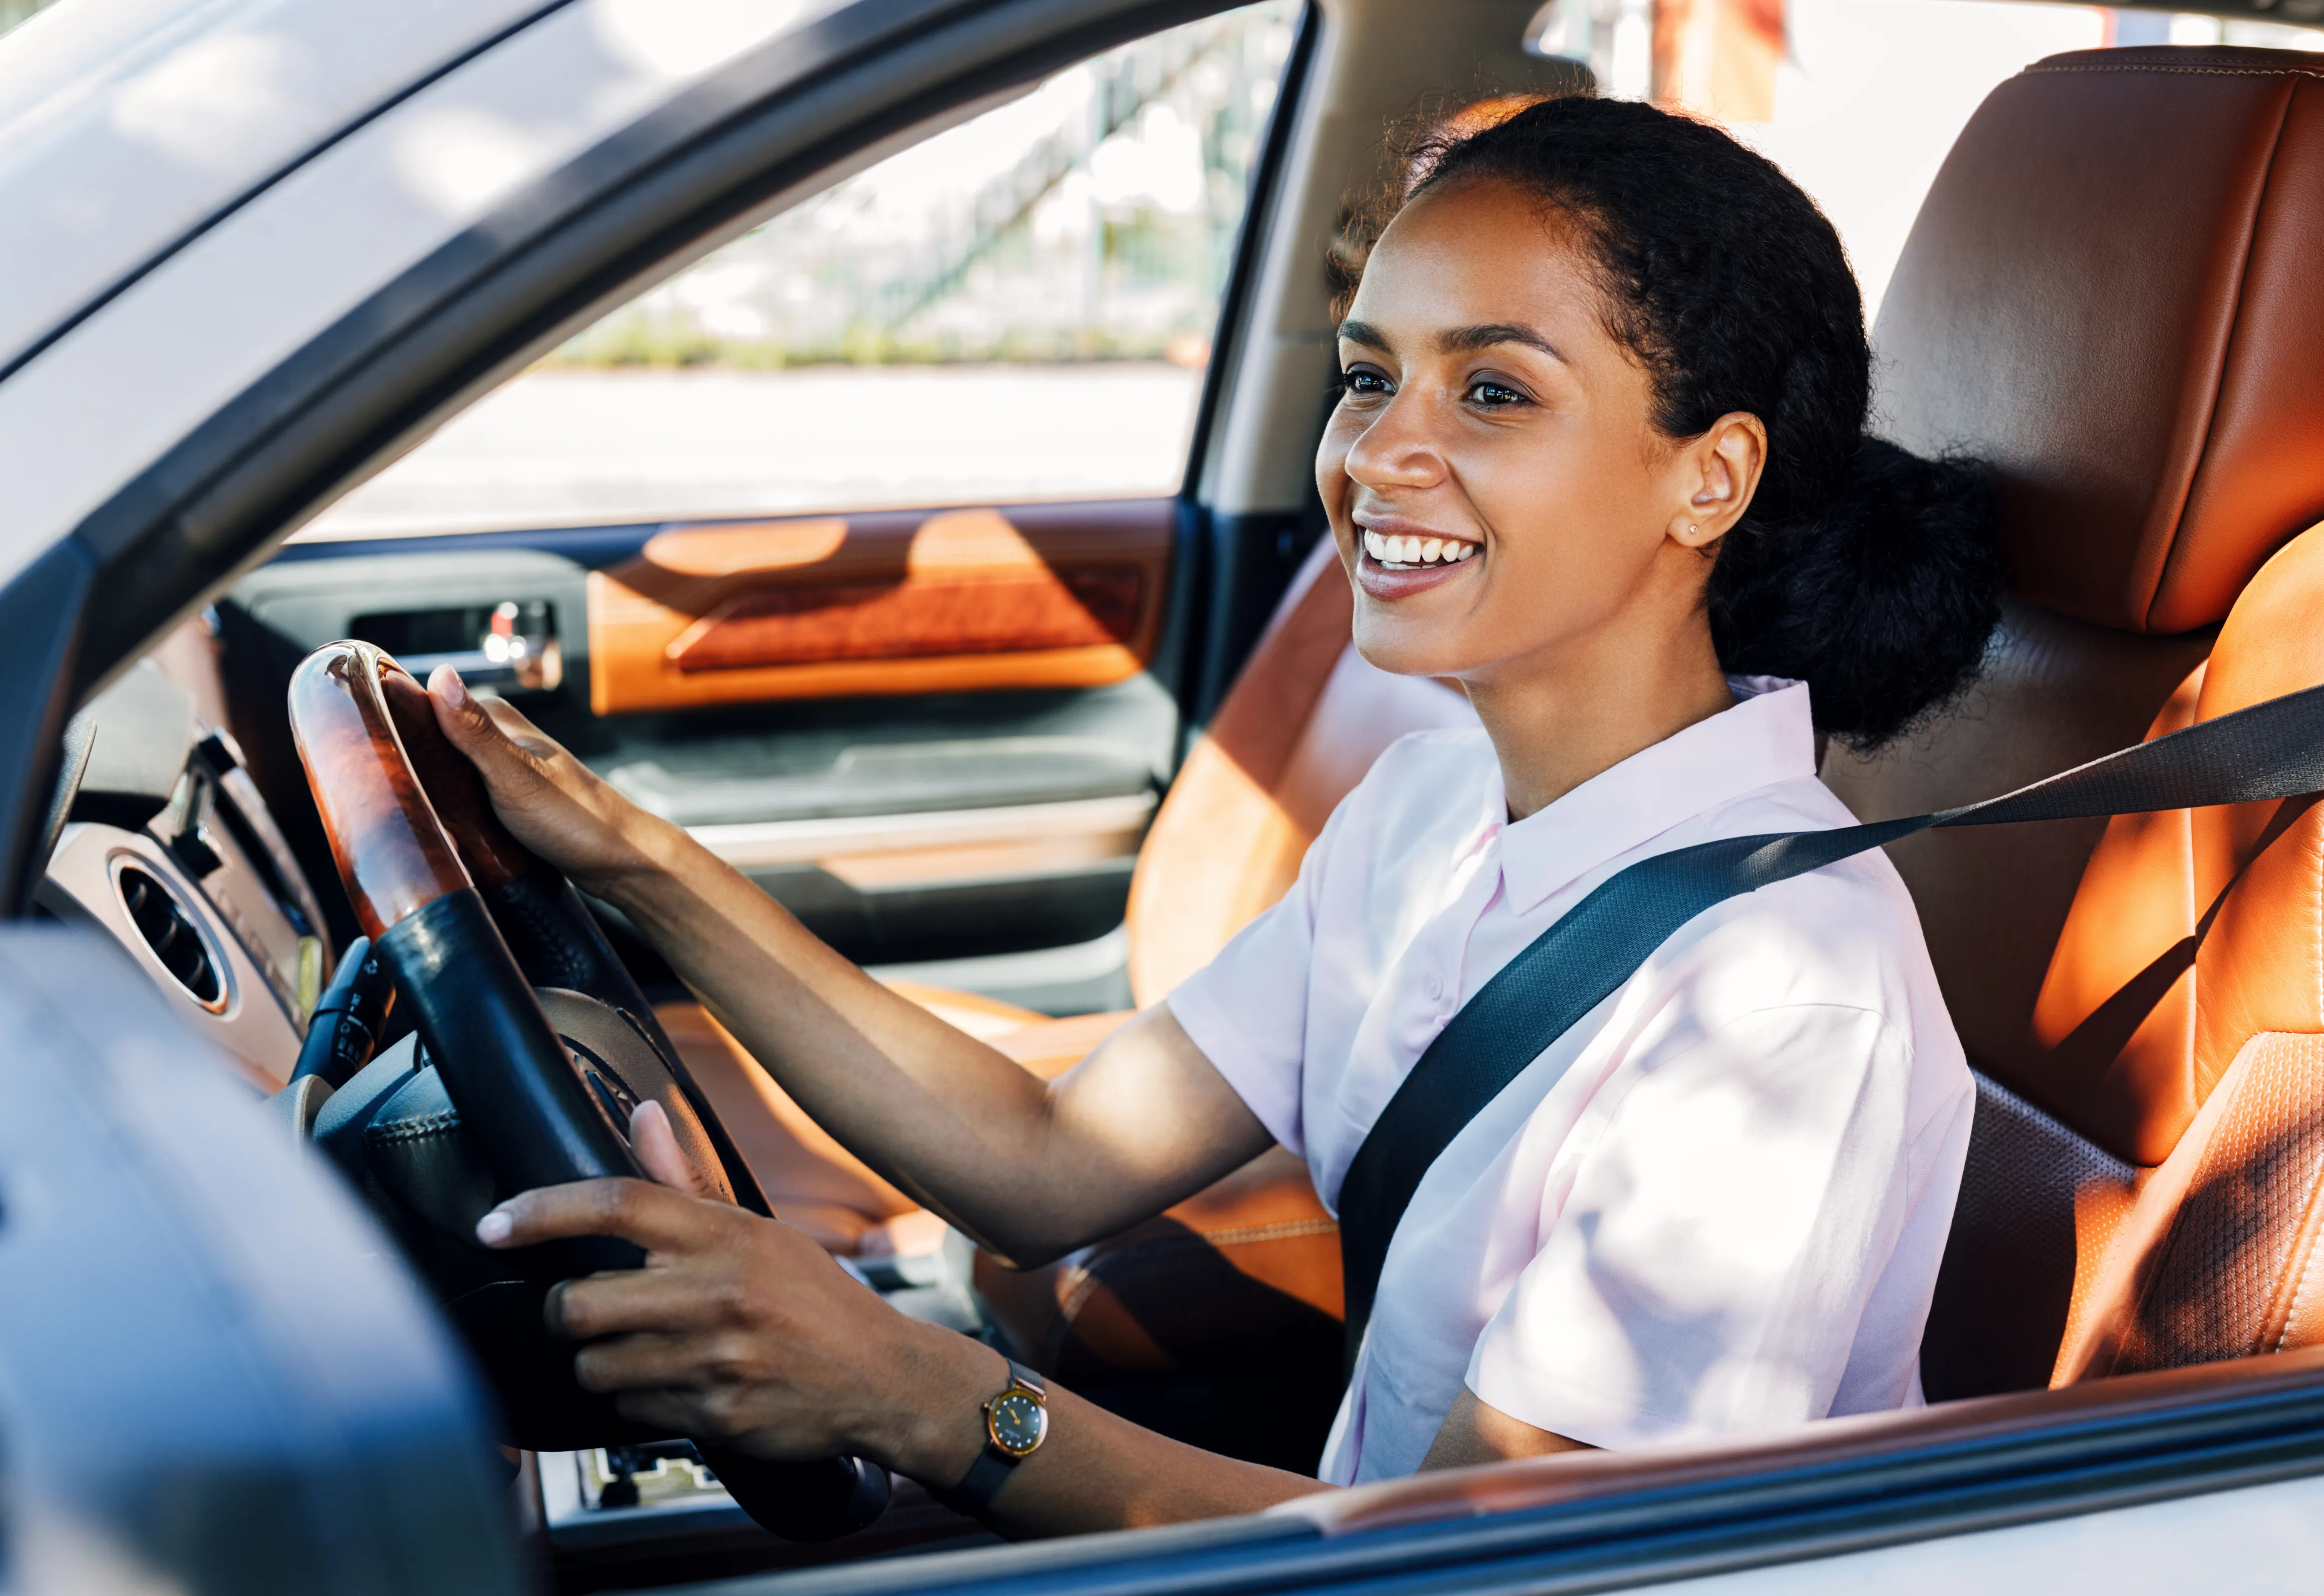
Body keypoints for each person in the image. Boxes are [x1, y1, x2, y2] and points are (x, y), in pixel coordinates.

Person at [440, 91, 1998, 1535]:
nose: (1379, 453)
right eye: (1369, 375)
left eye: (1494, 389)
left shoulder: (1779, 995)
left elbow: (1486, 1565)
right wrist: (629, 858)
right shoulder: (1432, 805)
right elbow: (1044, 1158)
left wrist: (913, 1390)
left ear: (1709, 479)